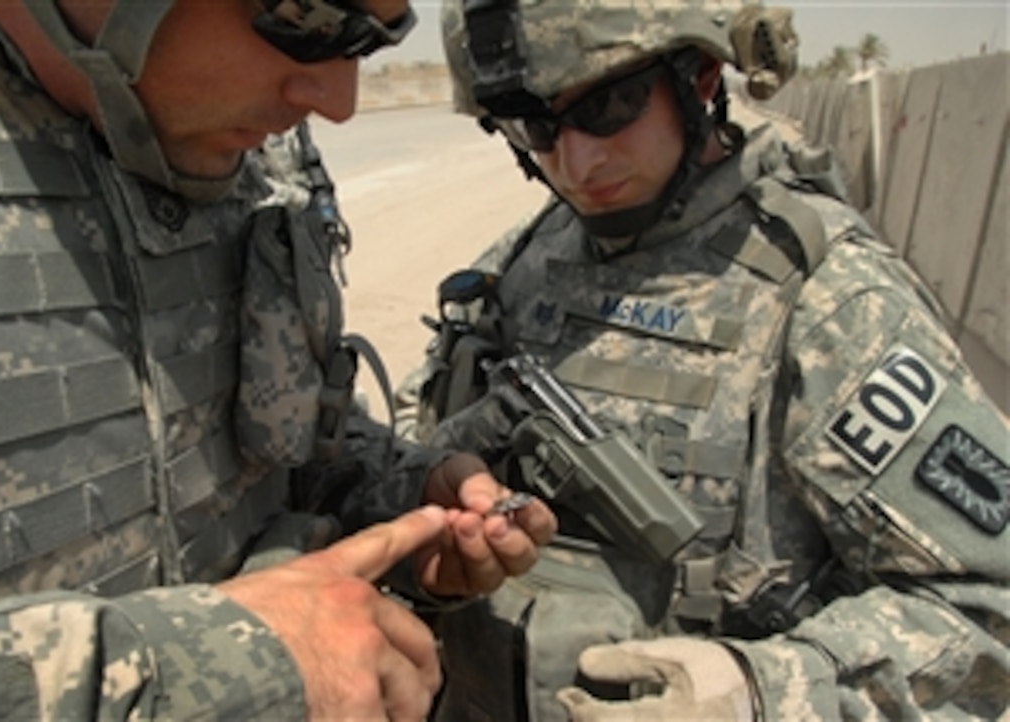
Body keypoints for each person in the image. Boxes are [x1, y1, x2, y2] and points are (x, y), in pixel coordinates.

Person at [0, 0, 557, 719]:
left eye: (374, 41)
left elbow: (273, 445)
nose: (338, 102)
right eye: (311, 17)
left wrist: (403, 502)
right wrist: (224, 667)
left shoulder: (252, 158)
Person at [396, 0, 1010, 719]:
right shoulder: (530, 256)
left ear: (703, 74)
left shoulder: (827, 298)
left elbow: (984, 606)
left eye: (610, 106)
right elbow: (421, 432)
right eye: (534, 125)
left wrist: (762, 691)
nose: (577, 161)